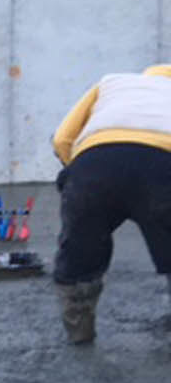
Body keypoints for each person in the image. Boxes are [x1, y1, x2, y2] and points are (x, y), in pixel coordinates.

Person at [51, 64, 171, 344]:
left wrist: (76, 175)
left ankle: (79, 336)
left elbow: (62, 139)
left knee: (80, 253)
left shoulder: (111, 83)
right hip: (164, 168)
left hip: (94, 166)